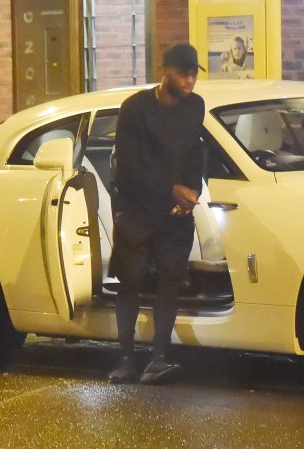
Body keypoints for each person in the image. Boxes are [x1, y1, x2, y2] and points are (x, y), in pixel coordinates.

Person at [107, 42, 206, 385]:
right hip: (137, 207)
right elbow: (129, 167)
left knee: (169, 281)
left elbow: (196, 152)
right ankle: (125, 358)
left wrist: (192, 192)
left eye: (194, 72)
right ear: (165, 72)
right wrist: (171, 189)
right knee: (130, 280)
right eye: (183, 72)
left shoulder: (196, 107)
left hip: (174, 212)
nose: (190, 79)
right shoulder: (135, 109)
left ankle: (159, 358)